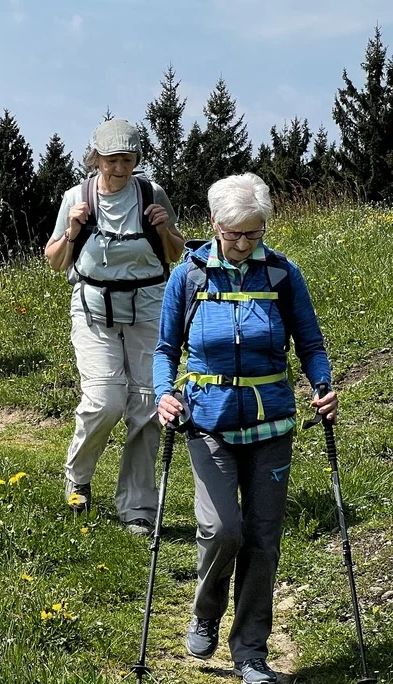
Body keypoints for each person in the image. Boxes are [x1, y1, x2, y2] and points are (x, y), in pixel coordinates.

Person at [154, 173, 335, 683]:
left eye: (252, 234)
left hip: (272, 424)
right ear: (214, 225)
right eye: (233, 234)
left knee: (262, 539)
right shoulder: (189, 277)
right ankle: (206, 611)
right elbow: (166, 349)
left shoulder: (281, 274)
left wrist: (322, 384)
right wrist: (166, 393)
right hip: (207, 422)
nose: (241, 244)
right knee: (222, 530)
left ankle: (251, 652)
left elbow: (311, 343)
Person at [43, 118, 185, 534]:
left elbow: (174, 254)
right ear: (96, 159)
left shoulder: (151, 193)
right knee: (105, 400)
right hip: (93, 309)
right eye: (112, 160)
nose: (121, 168)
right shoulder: (77, 197)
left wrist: (163, 227)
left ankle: (138, 506)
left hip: (148, 306)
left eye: (128, 159)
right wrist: (71, 230)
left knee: (147, 406)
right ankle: (78, 476)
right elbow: (55, 262)